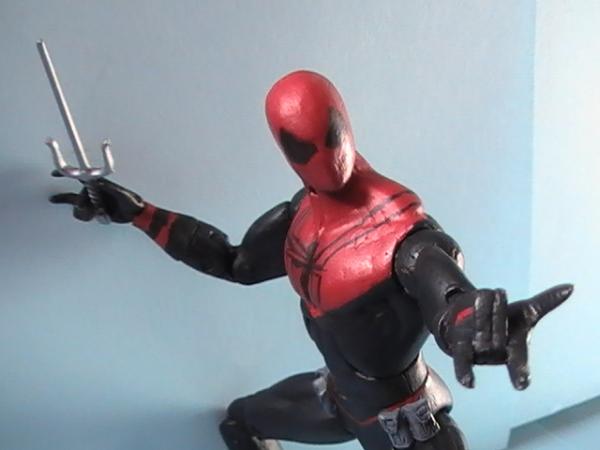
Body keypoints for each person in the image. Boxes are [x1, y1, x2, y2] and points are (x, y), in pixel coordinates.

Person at [50, 70, 572, 450]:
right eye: (303, 148)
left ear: (346, 126)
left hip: (407, 425)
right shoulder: (300, 216)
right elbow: (233, 262)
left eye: (330, 138)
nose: (325, 158)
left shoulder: (404, 233)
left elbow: (446, 293)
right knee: (240, 422)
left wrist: (474, 324)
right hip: (336, 398)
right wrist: (139, 213)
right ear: (285, 151)